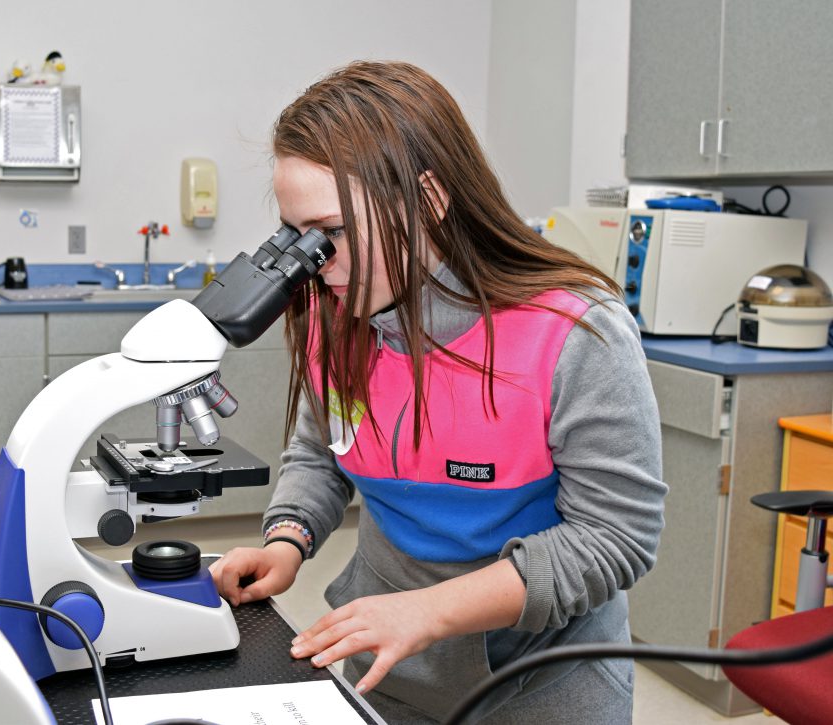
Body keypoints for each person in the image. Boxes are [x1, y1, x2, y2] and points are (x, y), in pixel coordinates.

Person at [210, 60, 666, 724]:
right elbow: (321, 454)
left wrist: (432, 609)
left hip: (542, 679)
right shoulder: (338, 314)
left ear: (427, 200)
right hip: (392, 666)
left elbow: (614, 536)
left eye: (332, 233)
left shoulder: (574, 333)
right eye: (297, 234)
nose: (314, 262)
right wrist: (285, 541)